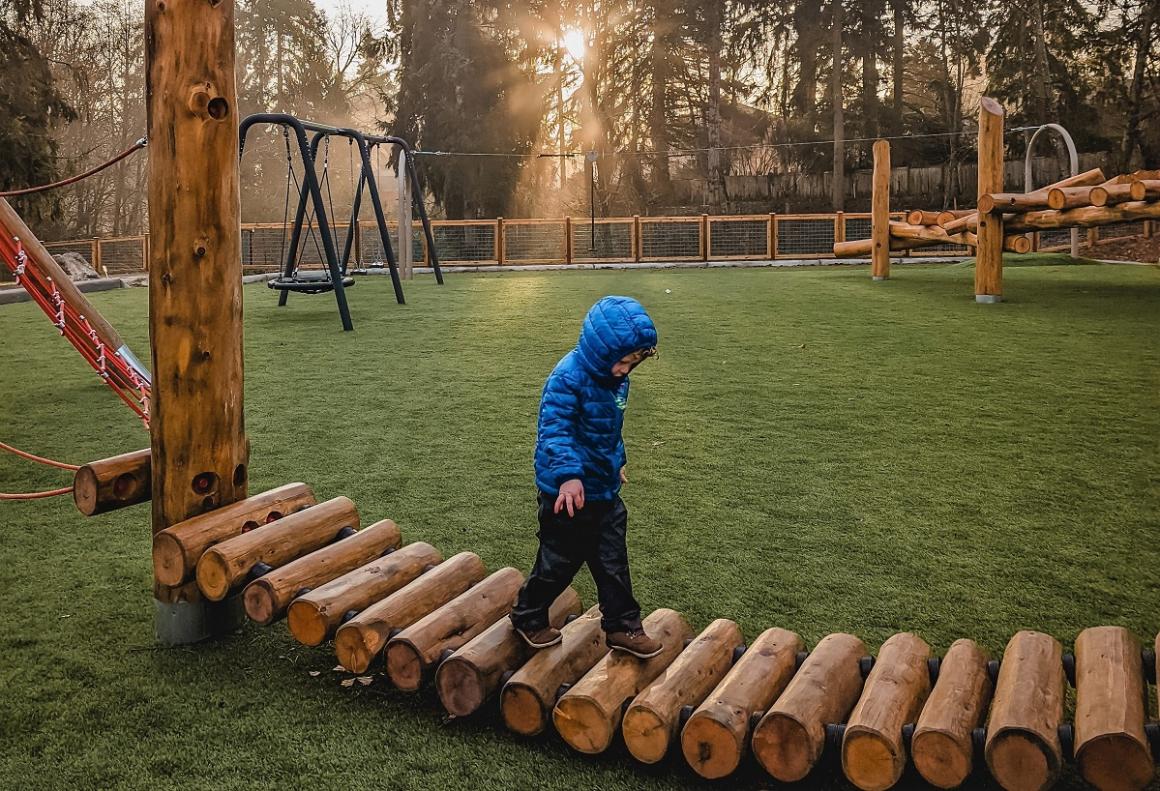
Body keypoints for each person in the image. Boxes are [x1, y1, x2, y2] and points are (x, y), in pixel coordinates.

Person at [509, 295, 662, 658]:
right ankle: (528, 615)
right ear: (600, 352)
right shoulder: (567, 378)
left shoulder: (615, 380)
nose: (625, 370)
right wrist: (568, 476)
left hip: (604, 489)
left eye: (632, 364)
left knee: (612, 559)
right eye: (622, 362)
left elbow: (607, 430)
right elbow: (555, 430)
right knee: (558, 562)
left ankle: (623, 626)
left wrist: (617, 461)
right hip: (566, 493)